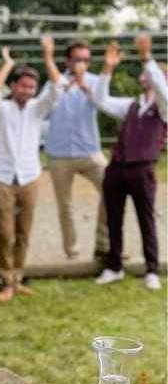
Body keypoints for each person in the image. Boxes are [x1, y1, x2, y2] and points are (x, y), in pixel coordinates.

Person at [0, 37, 65, 302]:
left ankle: (18, 279)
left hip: (30, 176)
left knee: (24, 233)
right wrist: (8, 63)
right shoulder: (1, 109)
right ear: (14, 86)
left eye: (32, 86)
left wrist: (48, 56)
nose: (29, 90)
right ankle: (5, 281)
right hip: (2, 176)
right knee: (5, 233)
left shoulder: (37, 109)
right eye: (24, 85)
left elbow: (57, 87)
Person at [93, 35, 166, 291]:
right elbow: (101, 101)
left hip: (143, 169)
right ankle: (114, 267)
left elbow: (162, 89)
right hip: (117, 168)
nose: (146, 74)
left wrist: (147, 58)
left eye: (152, 73)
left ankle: (152, 269)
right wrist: (107, 69)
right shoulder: (131, 105)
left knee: (146, 220)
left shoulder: (164, 107)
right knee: (114, 218)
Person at [42, 40, 110, 260]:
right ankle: (72, 253)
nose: (83, 63)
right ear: (67, 61)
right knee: (65, 206)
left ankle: (103, 245)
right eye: (78, 59)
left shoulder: (96, 82)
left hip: (90, 151)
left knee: (113, 191)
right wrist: (66, 85)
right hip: (59, 155)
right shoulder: (53, 82)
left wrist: (84, 86)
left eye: (87, 60)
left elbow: (103, 105)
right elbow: (43, 110)